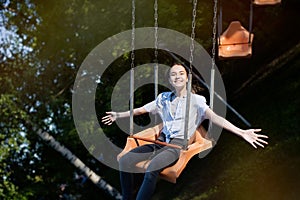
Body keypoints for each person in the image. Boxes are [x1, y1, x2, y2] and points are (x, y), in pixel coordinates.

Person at [102, 63, 268, 200]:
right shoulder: (163, 98)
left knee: (152, 168)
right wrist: (119, 115)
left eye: (181, 73)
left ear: (187, 78)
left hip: (175, 146)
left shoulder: (196, 101)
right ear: (170, 80)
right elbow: (140, 110)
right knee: (125, 160)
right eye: (174, 75)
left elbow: (216, 118)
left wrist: (241, 132)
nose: (177, 77)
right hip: (159, 142)